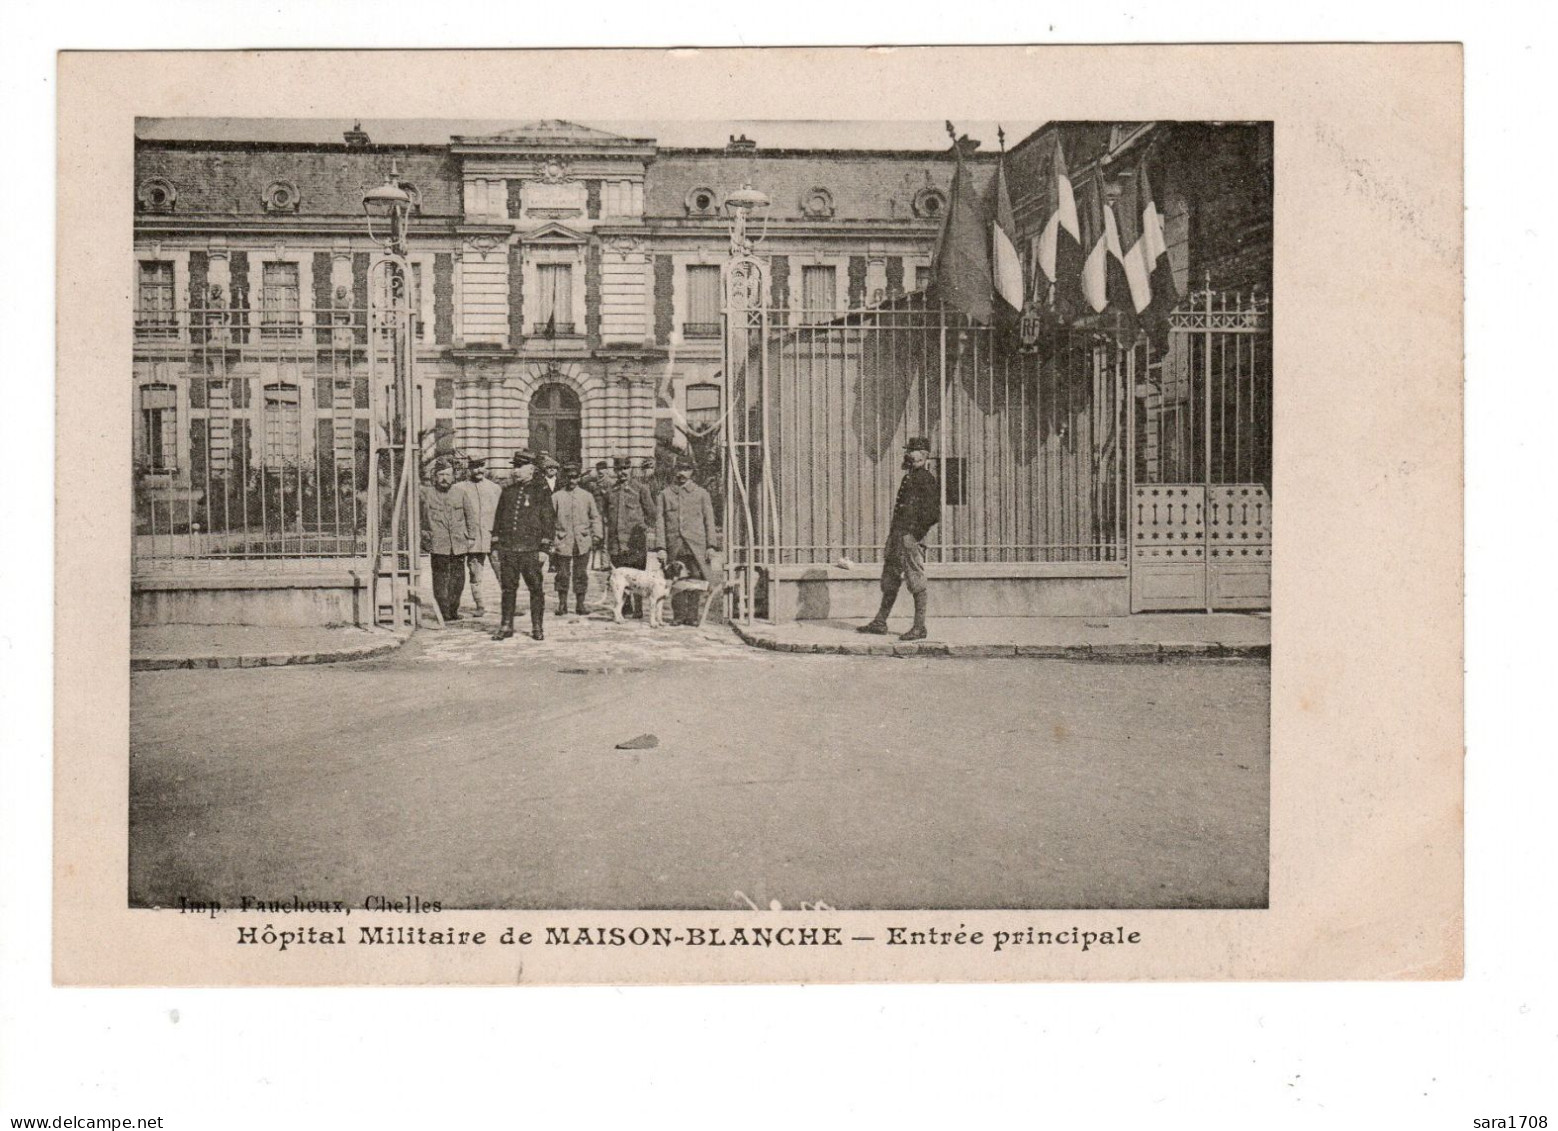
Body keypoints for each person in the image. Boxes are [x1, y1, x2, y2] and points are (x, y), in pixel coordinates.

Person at [857, 436, 941, 641]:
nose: (909, 455)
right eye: (909, 451)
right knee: (890, 578)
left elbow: (932, 515)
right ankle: (880, 621)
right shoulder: (910, 477)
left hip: (908, 538)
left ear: (923, 455)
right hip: (897, 535)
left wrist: (913, 535)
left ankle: (920, 627)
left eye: (913, 451)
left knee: (916, 580)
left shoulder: (926, 479)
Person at [490, 449, 556, 641]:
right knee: (508, 589)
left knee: (536, 588)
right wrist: (495, 545)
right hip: (509, 550)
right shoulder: (508, 492)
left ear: (532, 469)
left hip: (531, 551)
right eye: (515, 467)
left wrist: (544, 549)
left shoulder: (541, 493)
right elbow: (498, 520)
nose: (515, 471)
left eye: (520, 467)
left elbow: (548, 522)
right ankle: (506, 625)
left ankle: (537, 627)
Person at [655, 458, 720, 624]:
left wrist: (711, 545)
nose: (681, 473)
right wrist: (661, 547)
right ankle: (679, 616)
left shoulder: (701, 494)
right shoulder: (665, 494)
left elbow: (709, 521)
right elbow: (660, 522)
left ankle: (692, 616)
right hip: (674, 545)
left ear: (692, 471)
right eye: (679, 468)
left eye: (686, 469)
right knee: (676, 581)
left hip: (696, 546)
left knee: (696, 580)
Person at [419, 461, 479, 623]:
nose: (444, 478)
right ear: (435, 477)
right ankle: (443, 611)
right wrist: (424, 538)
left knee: (458, 579)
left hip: (459, 543)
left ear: (453, 477)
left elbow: (470, 516)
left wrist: (472, 536)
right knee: (440, 579)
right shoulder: (427, 494)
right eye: (441, 475)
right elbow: (419, 518)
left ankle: (453, 609)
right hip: (438, 543)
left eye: (447, 475)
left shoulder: (460, 493)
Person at [603, 457, 658, 616]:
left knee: (638, 574)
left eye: (626, 469)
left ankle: (639, 608)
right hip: (616, 542)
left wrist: (642, 529)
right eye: (619, 469)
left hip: (635, 542)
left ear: (630, 469)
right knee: (621, 575)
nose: (622, 473)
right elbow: (605, 514)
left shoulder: (641, 489)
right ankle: (625, 607)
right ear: (615, 471)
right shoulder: (610, 491)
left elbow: (652, 513)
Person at [452, 456, 502, 616]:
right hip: (472, 540)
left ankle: (509, 605)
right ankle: (480, 606)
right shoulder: (459, 488)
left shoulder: (495, 488)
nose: (479, 470)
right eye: (475, 467)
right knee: (475, 575)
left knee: (503, 572)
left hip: (494, 539)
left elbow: (503, 514)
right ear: (469, 469)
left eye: (481, 466)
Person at [551, 462, 603, 616]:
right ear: (564, 478)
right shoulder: (556, 497)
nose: (572, 481)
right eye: (569, 477)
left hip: (582, 541)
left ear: (579, 478)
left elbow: (595, 517)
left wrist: (597, 535)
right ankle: (562, 604)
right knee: (562, 574)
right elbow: (549, 520)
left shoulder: (587, 496)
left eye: (575, 477)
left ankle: (580, 604)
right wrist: (551, 540)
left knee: (581, 574)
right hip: (563, 541)